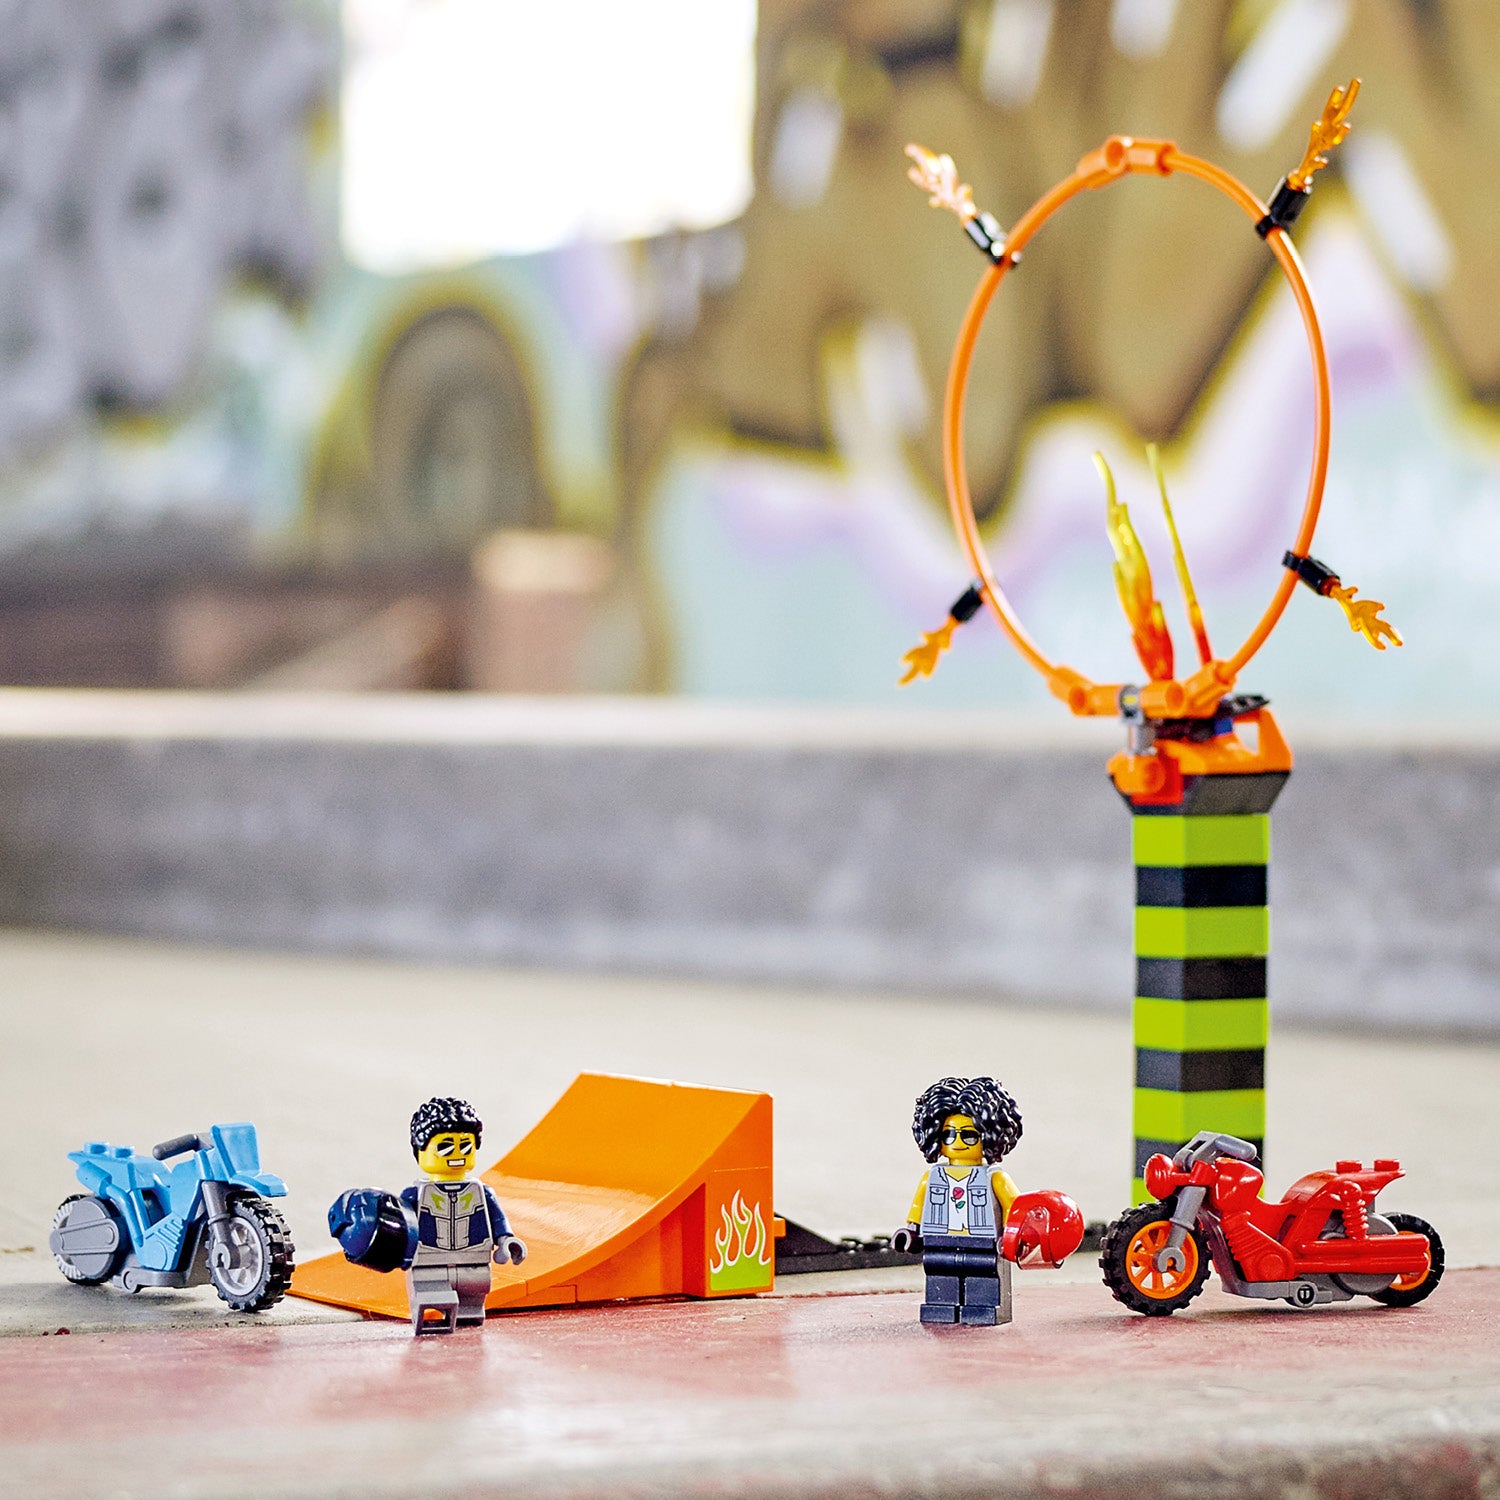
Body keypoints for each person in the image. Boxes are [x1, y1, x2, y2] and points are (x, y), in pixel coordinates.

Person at [328, 1096, 527, 1335]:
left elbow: (497, 1220)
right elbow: (399, 1220)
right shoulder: (416, 1194)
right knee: (432, 1296)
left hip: (474, 1262)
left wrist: (506, 1240)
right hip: (429, 1262)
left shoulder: (482, 1193)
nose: (457, 1154)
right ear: (420, 1151)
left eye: (466, 1146)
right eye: (445, 1147)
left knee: (471, 1307)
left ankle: (466, 1320)